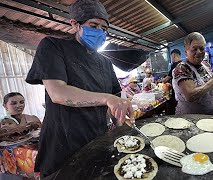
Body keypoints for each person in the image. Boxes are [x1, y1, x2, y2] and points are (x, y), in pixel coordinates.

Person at [25, 0, 134, 178]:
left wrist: (120, 127)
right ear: (75, 24)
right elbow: (58, 93)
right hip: (63, 144)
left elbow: (115, 101)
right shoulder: (53, 47)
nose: (100, 32)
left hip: (96, 140)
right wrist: (107, 98)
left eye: (104, 28)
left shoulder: (105, 63)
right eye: (93, 25)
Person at [163, 49, 182, 115]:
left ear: (173, 55)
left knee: (172, 106)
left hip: (176, 91)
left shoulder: (175, 65)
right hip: (183, 91)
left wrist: (162, 81)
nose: (172, 59)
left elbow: (167, 78)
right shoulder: (184, 64)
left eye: (171, 57)